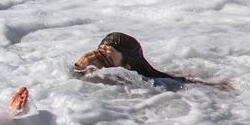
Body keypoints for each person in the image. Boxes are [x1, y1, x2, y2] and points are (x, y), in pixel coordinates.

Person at [71, 32, 216, 85]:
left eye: (105, 59)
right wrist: (78, 67)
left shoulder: (142, 87)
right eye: (98, 52)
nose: (96, 59)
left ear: (126, 67)